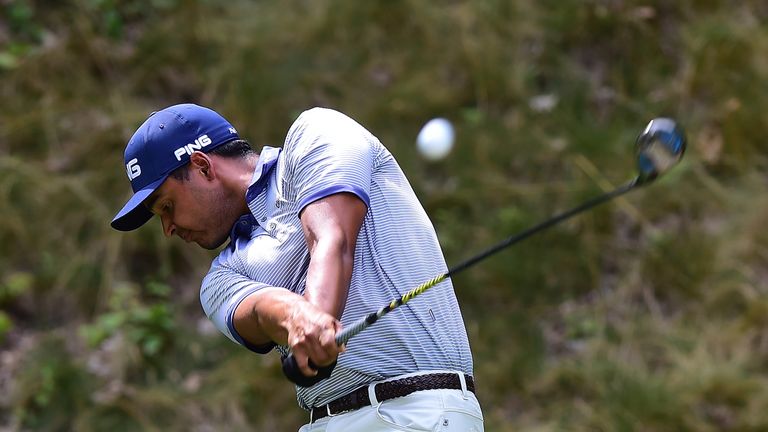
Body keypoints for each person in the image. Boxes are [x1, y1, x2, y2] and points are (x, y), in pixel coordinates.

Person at [111, 103, 484, 431]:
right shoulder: (219, 279)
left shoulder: (317, 134)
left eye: (166, 207)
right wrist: (296, 318)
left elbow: (331, 238)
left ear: (203, 166)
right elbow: (259, 311)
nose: (168, 229)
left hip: (414, 412)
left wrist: (317, 316)